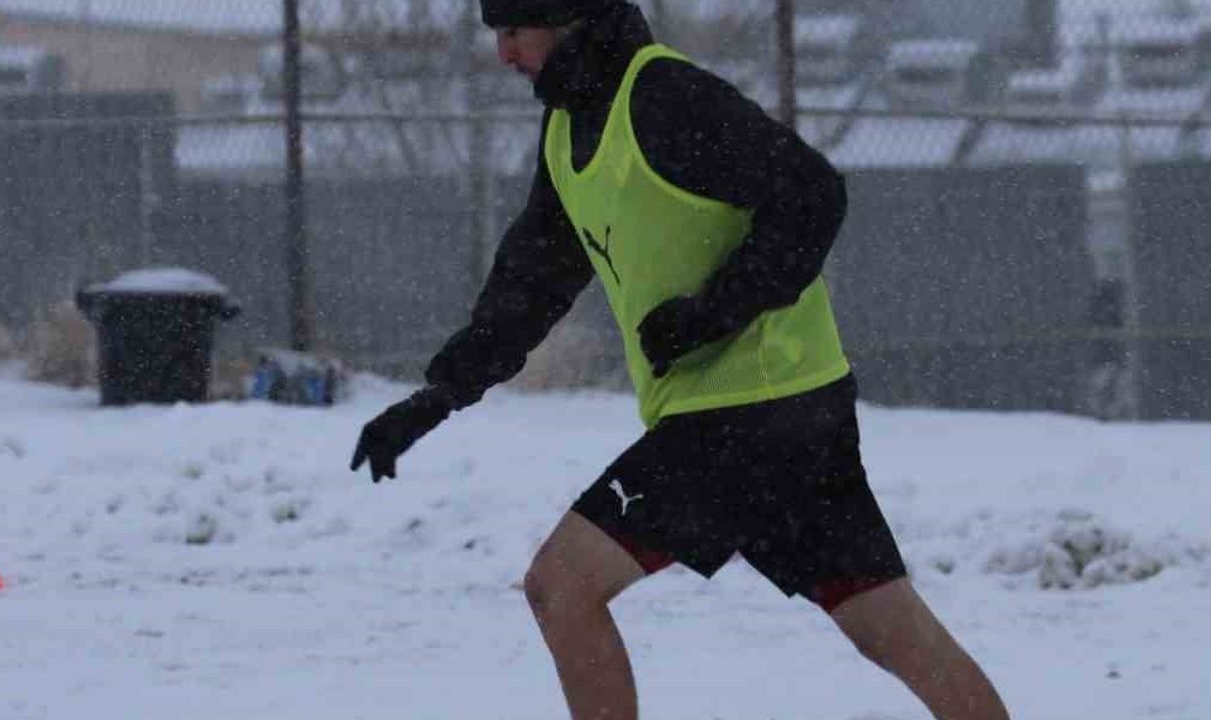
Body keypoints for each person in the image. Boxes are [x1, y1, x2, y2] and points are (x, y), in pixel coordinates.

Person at [350, 2, 1011, 718]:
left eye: (515, 32)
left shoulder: (663, 98)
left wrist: (711, 313)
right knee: (888, 628)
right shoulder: (570, 128)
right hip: (792, 407)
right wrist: (435, 399)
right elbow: (531, 283)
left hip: (742, 416)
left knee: (562, 586)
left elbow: (812, 190)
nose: (505, 55)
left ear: (566, 17)